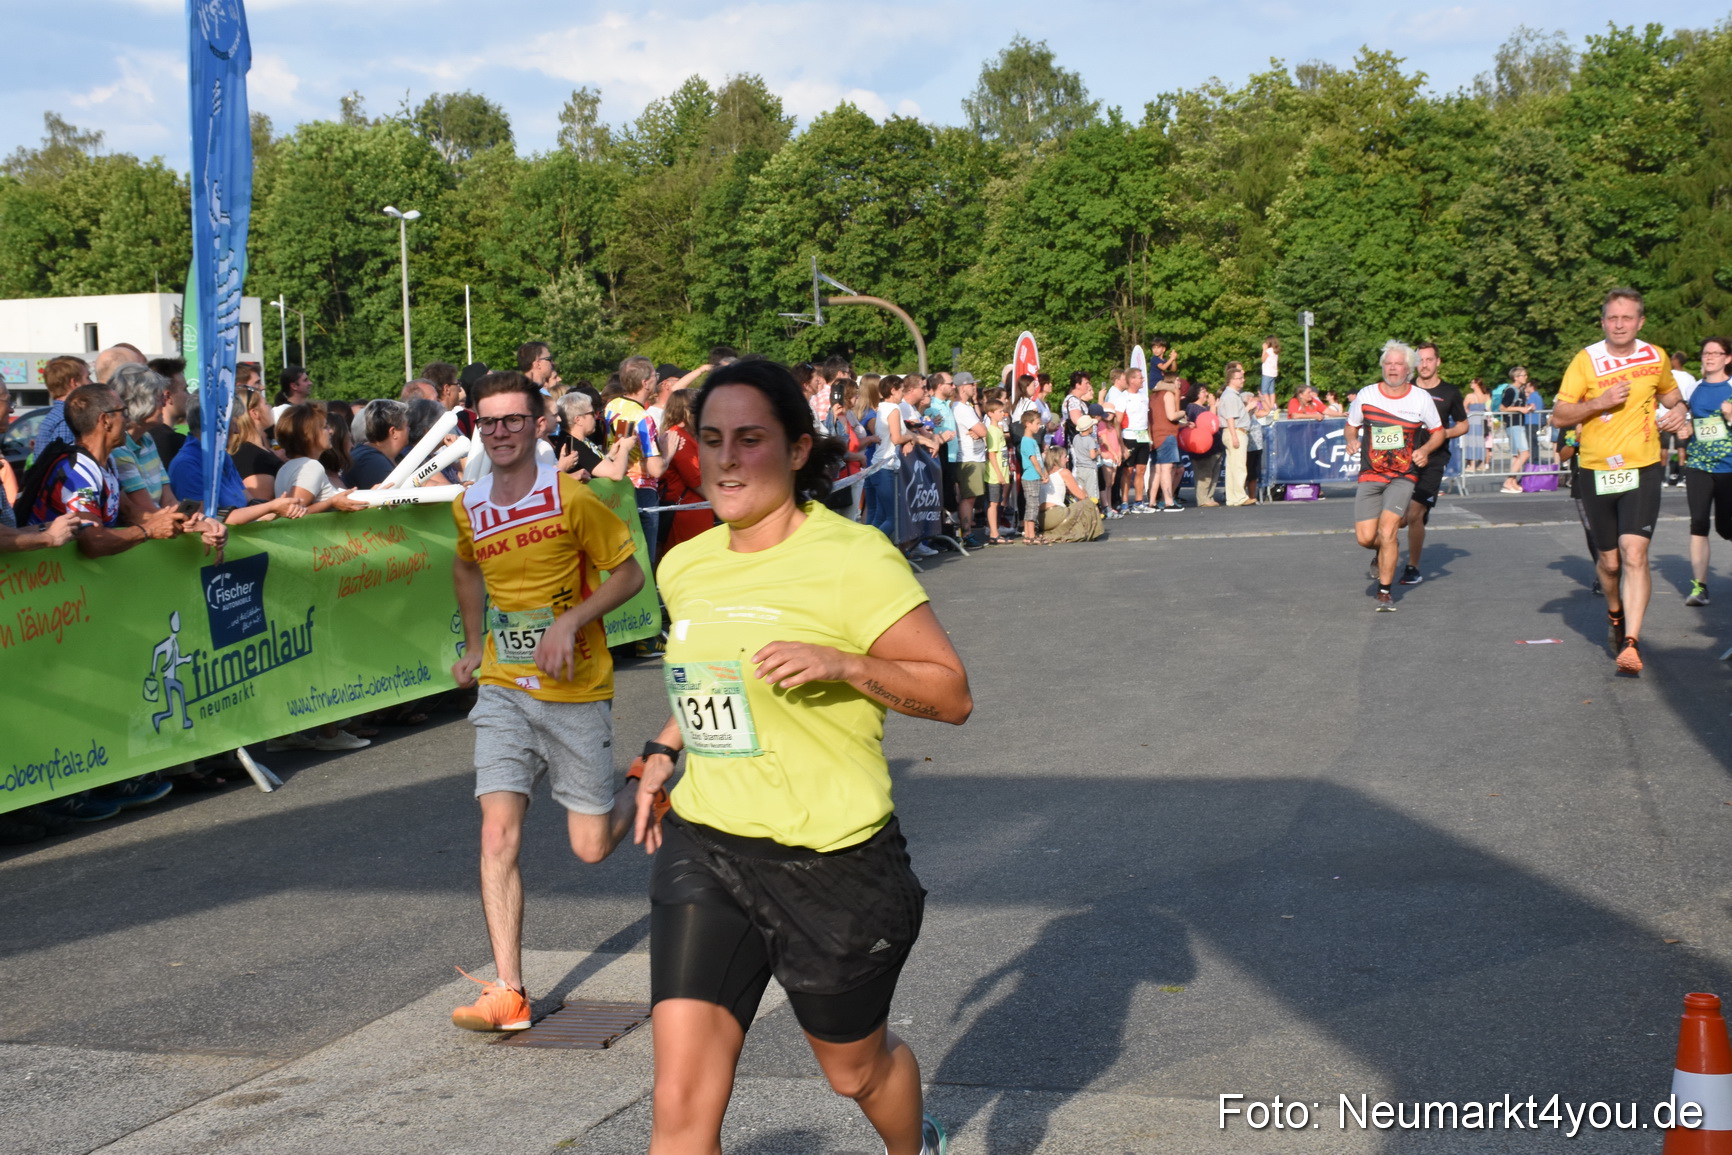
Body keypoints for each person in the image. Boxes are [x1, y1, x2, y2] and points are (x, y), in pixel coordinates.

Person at [628, 359, 971, 1155]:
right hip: (707, 846)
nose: (726, 459)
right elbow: (708, 682)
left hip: (834, 864)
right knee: (677, 1110)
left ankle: (914, 1144)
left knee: (856, 1072)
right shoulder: (685, 563)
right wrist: (660, 750)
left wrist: (848, 664)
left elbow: (951, 695)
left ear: (795, 450)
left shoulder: (854, 558)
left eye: (750, 440)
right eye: (711, 439)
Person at [447, 369, 648, 1033]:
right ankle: (510, 989)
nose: (499, 430)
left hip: (575, 689)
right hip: (505, 686)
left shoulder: (573, 500)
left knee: (590, 847)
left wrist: (570, 621)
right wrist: (476, 643)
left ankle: (649, 786)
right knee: (496, 831)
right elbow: (467, 565)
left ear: (539, 425)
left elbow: (628, 574)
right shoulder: (469, 503)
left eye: (512, 419)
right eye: (488, 420)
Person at [1550, 289, 1688, 671]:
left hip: (1643, 466)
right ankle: (1615, 614)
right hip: (1597, 470)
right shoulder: (1586, 360)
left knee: (1635, 552)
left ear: (1640, 322)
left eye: (1627, 318)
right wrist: (1599, 402)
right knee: (1609, 564)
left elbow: (1673, 397)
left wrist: (1682, 414)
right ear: (1603, 322)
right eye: (1613, 318)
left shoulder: (1655, 356)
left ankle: (1632, 642)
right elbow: (1559, 416)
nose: (1620, 324)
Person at [19, 384, 199, 557]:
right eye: (123, 412)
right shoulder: (77, 472)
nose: (128, 419)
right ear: (105, 420)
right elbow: (94, 542)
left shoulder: (107, 460)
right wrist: (149, 529)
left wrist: (168, 518)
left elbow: (127, 510)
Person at [1346, 341, 1444, 612]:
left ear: (1408, 369)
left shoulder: (1420, 398)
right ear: (1382, 367)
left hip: (1403, 475)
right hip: (1371, 474)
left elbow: (1439, 432)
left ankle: (1385, 592)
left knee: (1388, 530)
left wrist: (1424, 449)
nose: (1392, 368)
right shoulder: (1366, 395)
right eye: (1388, 363)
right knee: (1366, 538)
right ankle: (1383, 552)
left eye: (1398, 364)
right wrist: (1352, 440)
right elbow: (1351, 426)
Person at [1398, 342, 1467, 586]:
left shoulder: (1449, 392)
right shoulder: (1404, 388)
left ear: (1438, 362)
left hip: (1434, 460)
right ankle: (1381, 550)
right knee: (1399, 517)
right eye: (1420, 360)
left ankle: (1412, 567)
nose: (1424, 365)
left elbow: (1463, 424)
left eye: (1429, 360)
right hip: (1402, 459)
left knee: (1415, 514)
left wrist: (1443, 434)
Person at [1682, 337, 1732, 607]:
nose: (1710, 357)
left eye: (1716, 353)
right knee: (1698, 523)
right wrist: (1685, 429)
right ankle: (1699, 587)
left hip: (1729, 466)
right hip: (1699, 464)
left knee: (1726, 527)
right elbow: (1694, 424)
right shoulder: (1694, 388)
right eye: (1706, 353)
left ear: (1728, 358)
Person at [605, 355, 668, 561]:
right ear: (645, 383)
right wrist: (669, 450)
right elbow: (656, 468)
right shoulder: (643, 418)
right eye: (654, 375)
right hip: (643, 489)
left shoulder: (612, 405)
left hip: (617, 486)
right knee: (644, 557)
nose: (656, 379)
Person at [109, 363, 178, 518]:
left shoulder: (146, 438)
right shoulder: (118, 447)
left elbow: (169, 500)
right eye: (160, 397)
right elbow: (146, 510)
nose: (165, 403)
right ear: (140, 401)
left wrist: (196, 519)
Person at [274, 404, 368, 513]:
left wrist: (373, 494)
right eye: (324, 427)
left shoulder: (287, 467)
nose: (331, 431)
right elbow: (291, 511)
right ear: (308, 435)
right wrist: (331, 503)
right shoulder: (311, 466)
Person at [657, 388, 710, 560]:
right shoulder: (678, 438)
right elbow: (695, 480)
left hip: (693, 509)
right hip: (687, 511)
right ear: (688, 411)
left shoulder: (685, 435)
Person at [865, 375, 908, 539]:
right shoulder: (894, 409)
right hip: (886, 467)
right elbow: (897, 438)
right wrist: (911, 438)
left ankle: (865, 545)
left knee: (880, 516)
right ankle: (869, 548)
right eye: (902, 390)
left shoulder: (881, 407)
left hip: (877, 466)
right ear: (893, 390)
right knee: (893, 517)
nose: (903, 394)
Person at [230, 379, 284, 502]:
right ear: (255, 413)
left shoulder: (257, 451)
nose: (270, 407)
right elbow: (261, 506)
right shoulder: (250, 456)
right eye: (266, 404)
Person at [1104, 368, 1150, 513]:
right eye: (1140, 377)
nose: (1143, 380)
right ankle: (1124, 502)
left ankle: (1139, 501)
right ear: (1132, 380)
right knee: (1128, 471)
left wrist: (1151, 438)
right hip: (1129, 436)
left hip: (1143, 437)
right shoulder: (1122, 397)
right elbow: (1117, 422)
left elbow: (1147, 419)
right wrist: (1121, 445)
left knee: (1141, 470)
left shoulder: (1144, 396)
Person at [1037, 445, 1103, 541]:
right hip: (1055, 514)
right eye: (1065, 457)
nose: (1067, 460)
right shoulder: (1064, 472)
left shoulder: (1043, 473)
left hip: (1041, 518)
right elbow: (1081, 496)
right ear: (1057, 459)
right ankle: (1093, 533)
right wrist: (1083, 489)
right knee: (1088, 503)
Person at [950, 375, 987, 546]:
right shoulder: (961, 408)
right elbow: (983, 430)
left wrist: (979, 429)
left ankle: (966, 531)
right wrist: (979, 429)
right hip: (968, 457)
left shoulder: (967, 406)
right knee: (969, 497)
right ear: (963, 386)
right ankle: (967, 533)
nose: (974, 387)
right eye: (972, 384)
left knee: (971, 496)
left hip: (973, 456)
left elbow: (981, 429)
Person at [345, 400, 410, 489]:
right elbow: (400, 494)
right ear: (393, 432)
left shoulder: (395, 456)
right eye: (406, 426)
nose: (409, 430)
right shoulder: (369, 460)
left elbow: (422, 483)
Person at [1218, 362, 1254, 506]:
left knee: (1232, 467)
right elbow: (1230, 418)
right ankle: (1239, 496)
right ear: (1232, 380)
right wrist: (1234, 436)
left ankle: (1233, 498)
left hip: (1233, 431)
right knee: (1238, 466)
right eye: (1240, 378)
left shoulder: (1230, 395)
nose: (1243, 380)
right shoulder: (1232, 396)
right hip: (1236, 432)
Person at [1181, 383, 1223, 506]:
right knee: (1204, 473)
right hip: (1203, 447)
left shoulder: (1205, 407)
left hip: (1215, 446)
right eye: (1203, 391)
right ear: (1196, 394)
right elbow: (1209, 423)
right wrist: (1213, 406)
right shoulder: (1193, 408)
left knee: (1214, 473)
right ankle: (1203, 499)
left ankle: (1210, 496)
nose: (1206, 394)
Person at [1148, 378, 1184, 511]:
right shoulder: (1167, 394)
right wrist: (1182, 413)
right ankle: (1169, 501)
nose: (1179, 385)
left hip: (1155, 435)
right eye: (1177, 382)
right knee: (1167, 469)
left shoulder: (1152, 397)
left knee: (1156, 469)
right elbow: (1171, 416)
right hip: (1166, 435)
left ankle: (1151, 502)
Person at [145, 357, 190, 463]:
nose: (189, 395)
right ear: (168, 397)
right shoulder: (174, 443)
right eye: (185, 389)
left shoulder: (143, 438)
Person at [1498, 368, 1536, 491]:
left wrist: (1528, 407)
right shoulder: (1511, 390)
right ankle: (1508, 481)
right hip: (1513, 424)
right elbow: (1502, 408)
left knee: (1516, 455)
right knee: (1525, 454)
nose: (1526, 377)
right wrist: (1520, 409)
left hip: (1517, 423)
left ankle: (1512, 481)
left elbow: (1518, 406)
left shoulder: (1520, 391)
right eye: (1523, 375)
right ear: (1516, 377)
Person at [983, 397, 1010, 543]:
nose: (1003, 414)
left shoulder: (998, 430)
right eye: (1000, 411)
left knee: (997, 502)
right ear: (991, 413)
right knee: (993, 503)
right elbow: (991, 454)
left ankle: (996, 530)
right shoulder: (992, 431)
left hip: (1001, 472)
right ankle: (993, 533)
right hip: (993, 474)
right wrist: (999, 474)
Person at [1018, 409, 1046, 543]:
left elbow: (1038, 459)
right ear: (1028, 424)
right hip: (1030, 476)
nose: (1039, 426)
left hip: (1034, 475)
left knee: (1033, 505)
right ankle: (1029, 534)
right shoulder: (1027, 441)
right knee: (1032, 505)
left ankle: (1030, 533)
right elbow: (1033, 459)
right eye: (1037, 423)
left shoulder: (1031, 440)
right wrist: (1041, 473)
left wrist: (1043, 472)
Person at [1068, 413, 1101, 505]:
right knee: (1092, 492)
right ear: (1089, 428)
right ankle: (1092, 511)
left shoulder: (1076, 438)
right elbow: (1092, 456)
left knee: (1082, 491)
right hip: (1090, 468)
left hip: (1079, 467)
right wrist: (1098, 451)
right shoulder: (1090, 440)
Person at [1463, 378, 1491, 471]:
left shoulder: (1470, 396)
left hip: (1472, 420)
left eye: (1472, 383)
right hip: (1481, 420)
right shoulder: (1485, 396)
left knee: (1471, 442)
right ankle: (1482, 464)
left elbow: (1463, 408)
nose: (1470, 384)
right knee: (1480, 442)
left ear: (1476, 384)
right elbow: (1488, 408)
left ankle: (1472, 465)